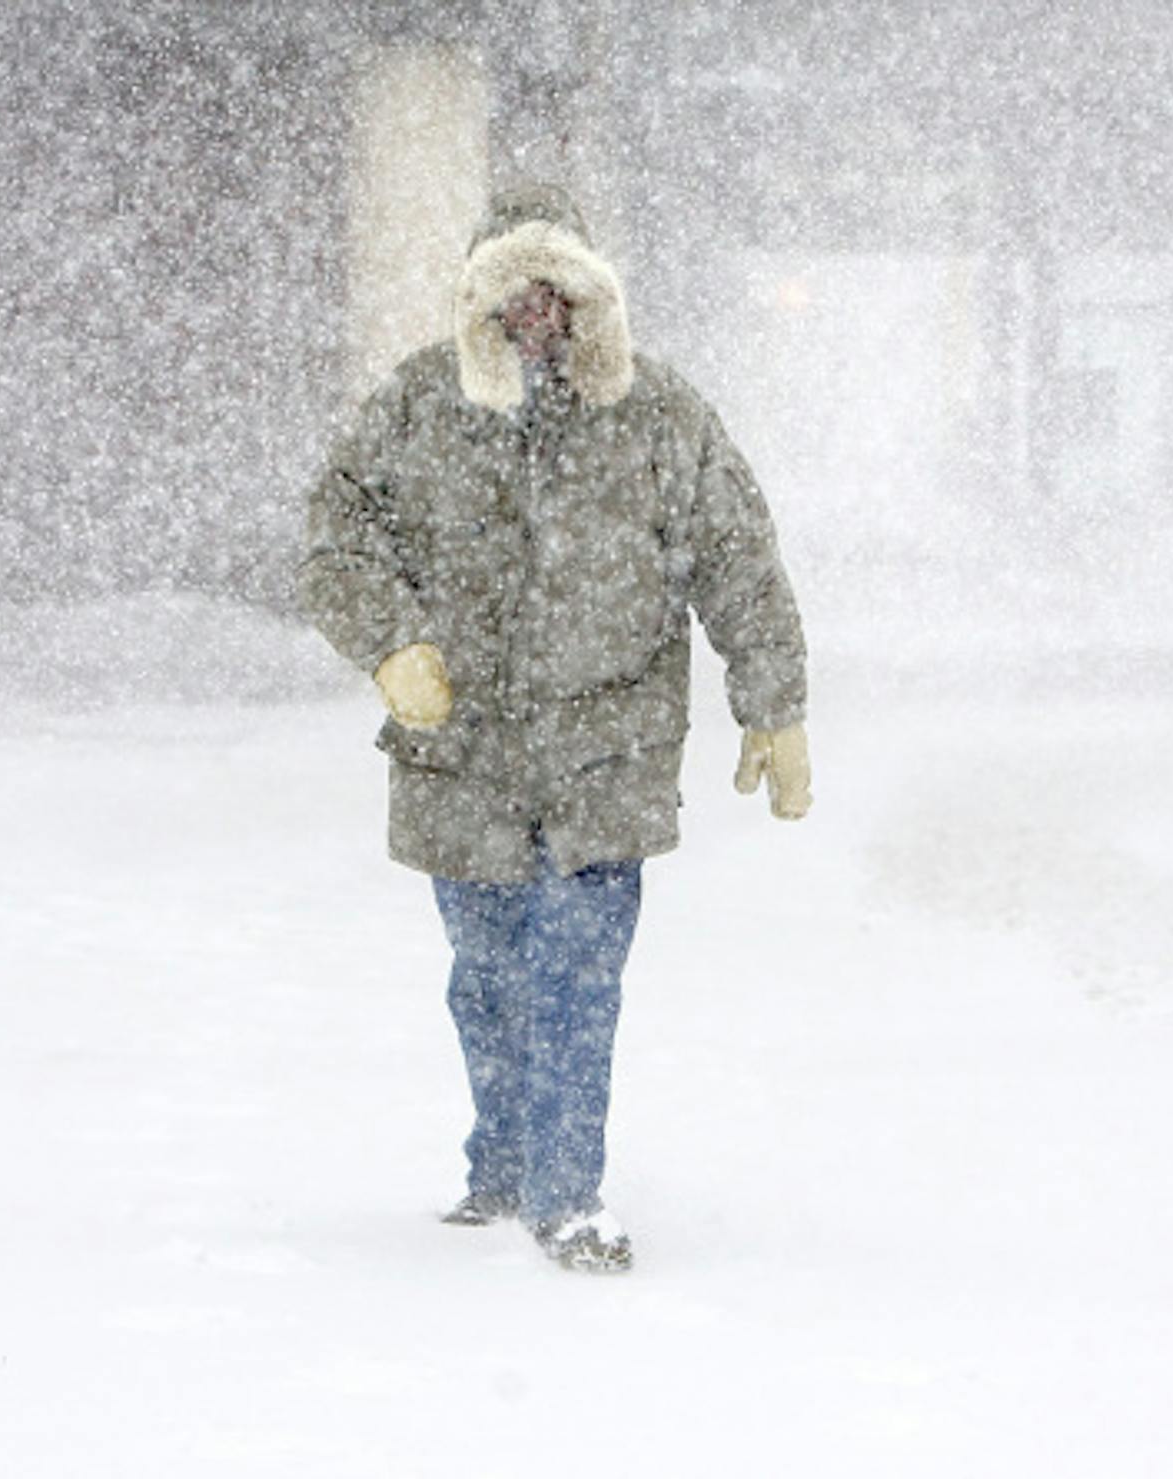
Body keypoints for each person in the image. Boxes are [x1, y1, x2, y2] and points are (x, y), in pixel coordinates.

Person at [300, 182, 809, 1274]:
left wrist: (773, 704)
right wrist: (392, 645)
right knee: (487, 975)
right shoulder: (416, 407)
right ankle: (505, 1165)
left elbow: (737, 558)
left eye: (557, 292)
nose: (536, 315)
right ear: (480, 305)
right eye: (513, 294)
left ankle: (569, 1193)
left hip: (606, 756)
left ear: (589, 299)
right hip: (464, 757)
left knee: (576, 972)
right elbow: (336, 537)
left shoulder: (661, 415)